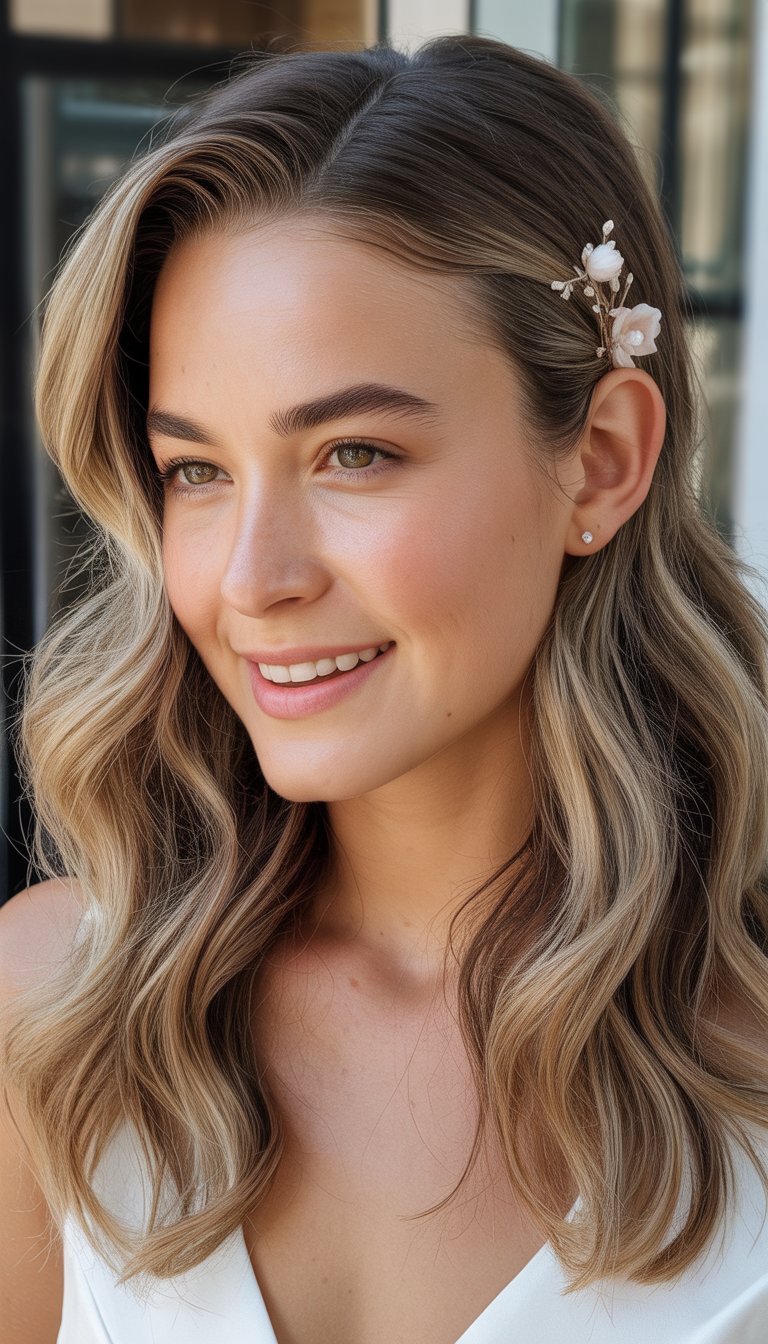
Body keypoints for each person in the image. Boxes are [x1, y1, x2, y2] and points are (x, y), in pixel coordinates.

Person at [2, 32, 768, 1344]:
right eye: (197, 471)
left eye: (354, 452)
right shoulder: (48, 1012)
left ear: (598, 461)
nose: (253, 578)